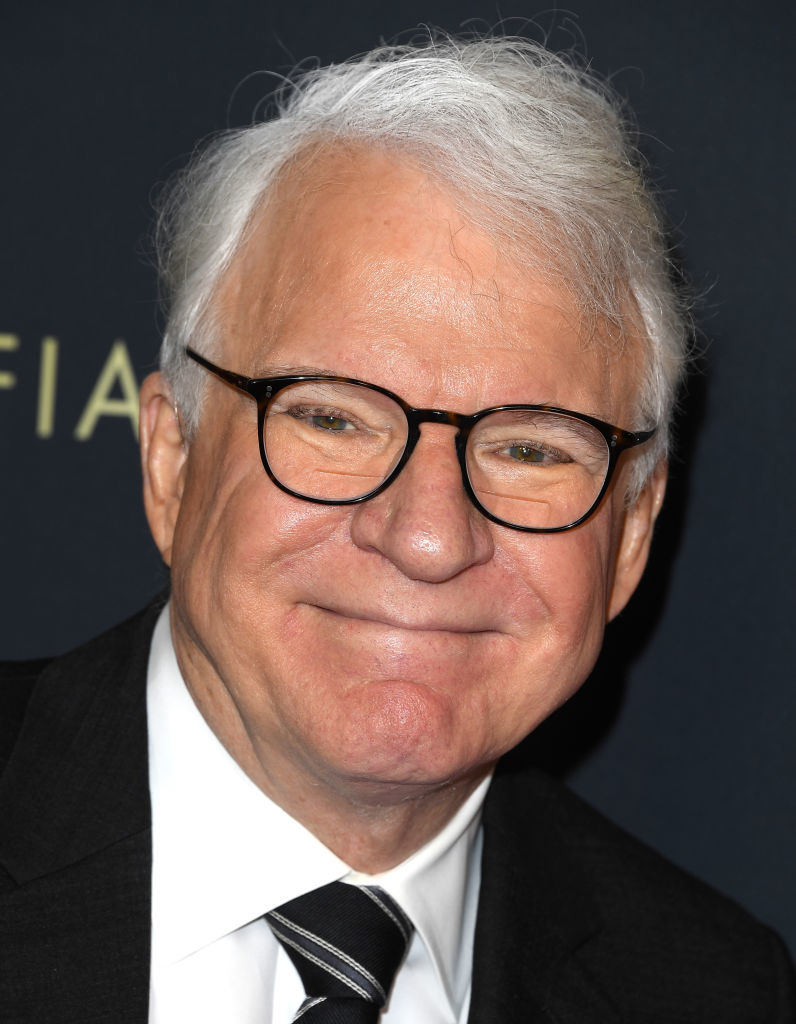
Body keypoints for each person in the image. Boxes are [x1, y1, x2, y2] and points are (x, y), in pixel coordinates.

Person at [0, 33, 793, 1024]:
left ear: (631, 532)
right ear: (173, 459)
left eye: (531, 449)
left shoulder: (714, 992)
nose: (427, 537)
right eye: (332, 416)